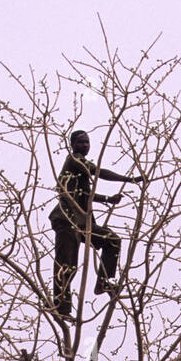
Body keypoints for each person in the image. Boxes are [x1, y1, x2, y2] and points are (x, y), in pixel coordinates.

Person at [49, 130, 143, 320]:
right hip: (67, 220)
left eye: (87, 143)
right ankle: (61, 306)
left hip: (83, 222)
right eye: (81, 142)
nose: (85, 146)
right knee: (67, 264)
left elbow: (85, 195)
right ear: (73, 145)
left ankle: (103, 282)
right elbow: (99, 172)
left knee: (112, 240)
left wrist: (108, 199)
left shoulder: (78, 174)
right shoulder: (74, 161)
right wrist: (129, 180)